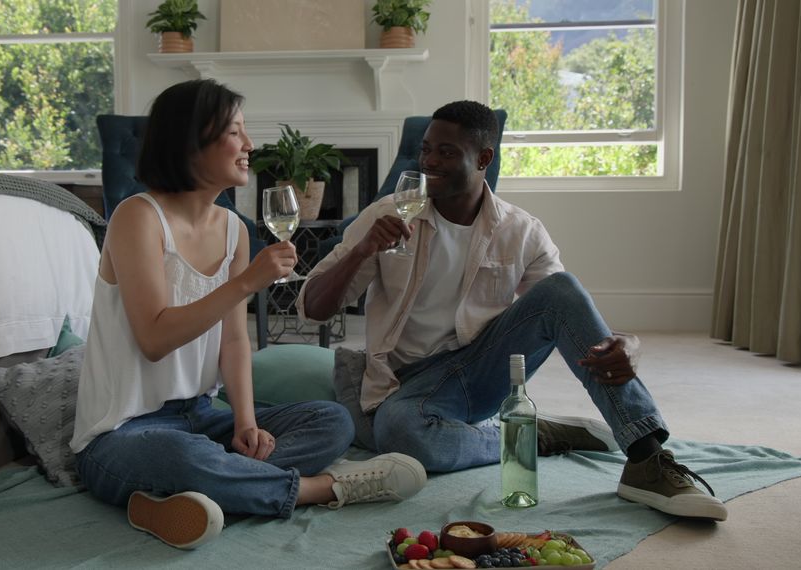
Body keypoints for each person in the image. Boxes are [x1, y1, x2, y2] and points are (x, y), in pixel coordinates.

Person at [296, 100, 727, 521]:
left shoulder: (520, 230)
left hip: (480, 368)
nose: (430, 161)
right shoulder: (387, 215)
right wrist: (363, 251)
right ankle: (525, 436)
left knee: (562, 288)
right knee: (400, 433)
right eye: (426, 149)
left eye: (447, 152)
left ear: (484, 158)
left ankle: (646, 456)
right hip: (406, 383)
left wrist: (628, 344)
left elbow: (566, 311)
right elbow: (313, 308)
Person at [69, 79, 427, 550]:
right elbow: (154, 338)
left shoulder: (234, 230)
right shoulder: (137, 217)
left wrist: (243, 423)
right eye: (236, 132)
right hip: (124, 432)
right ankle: (320, 489)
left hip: (201, 414)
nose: (250, 145)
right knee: (180, 454)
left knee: (331, 421)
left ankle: (189, 498)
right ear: (192, 141)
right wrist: (246, 283)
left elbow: (234, 341)